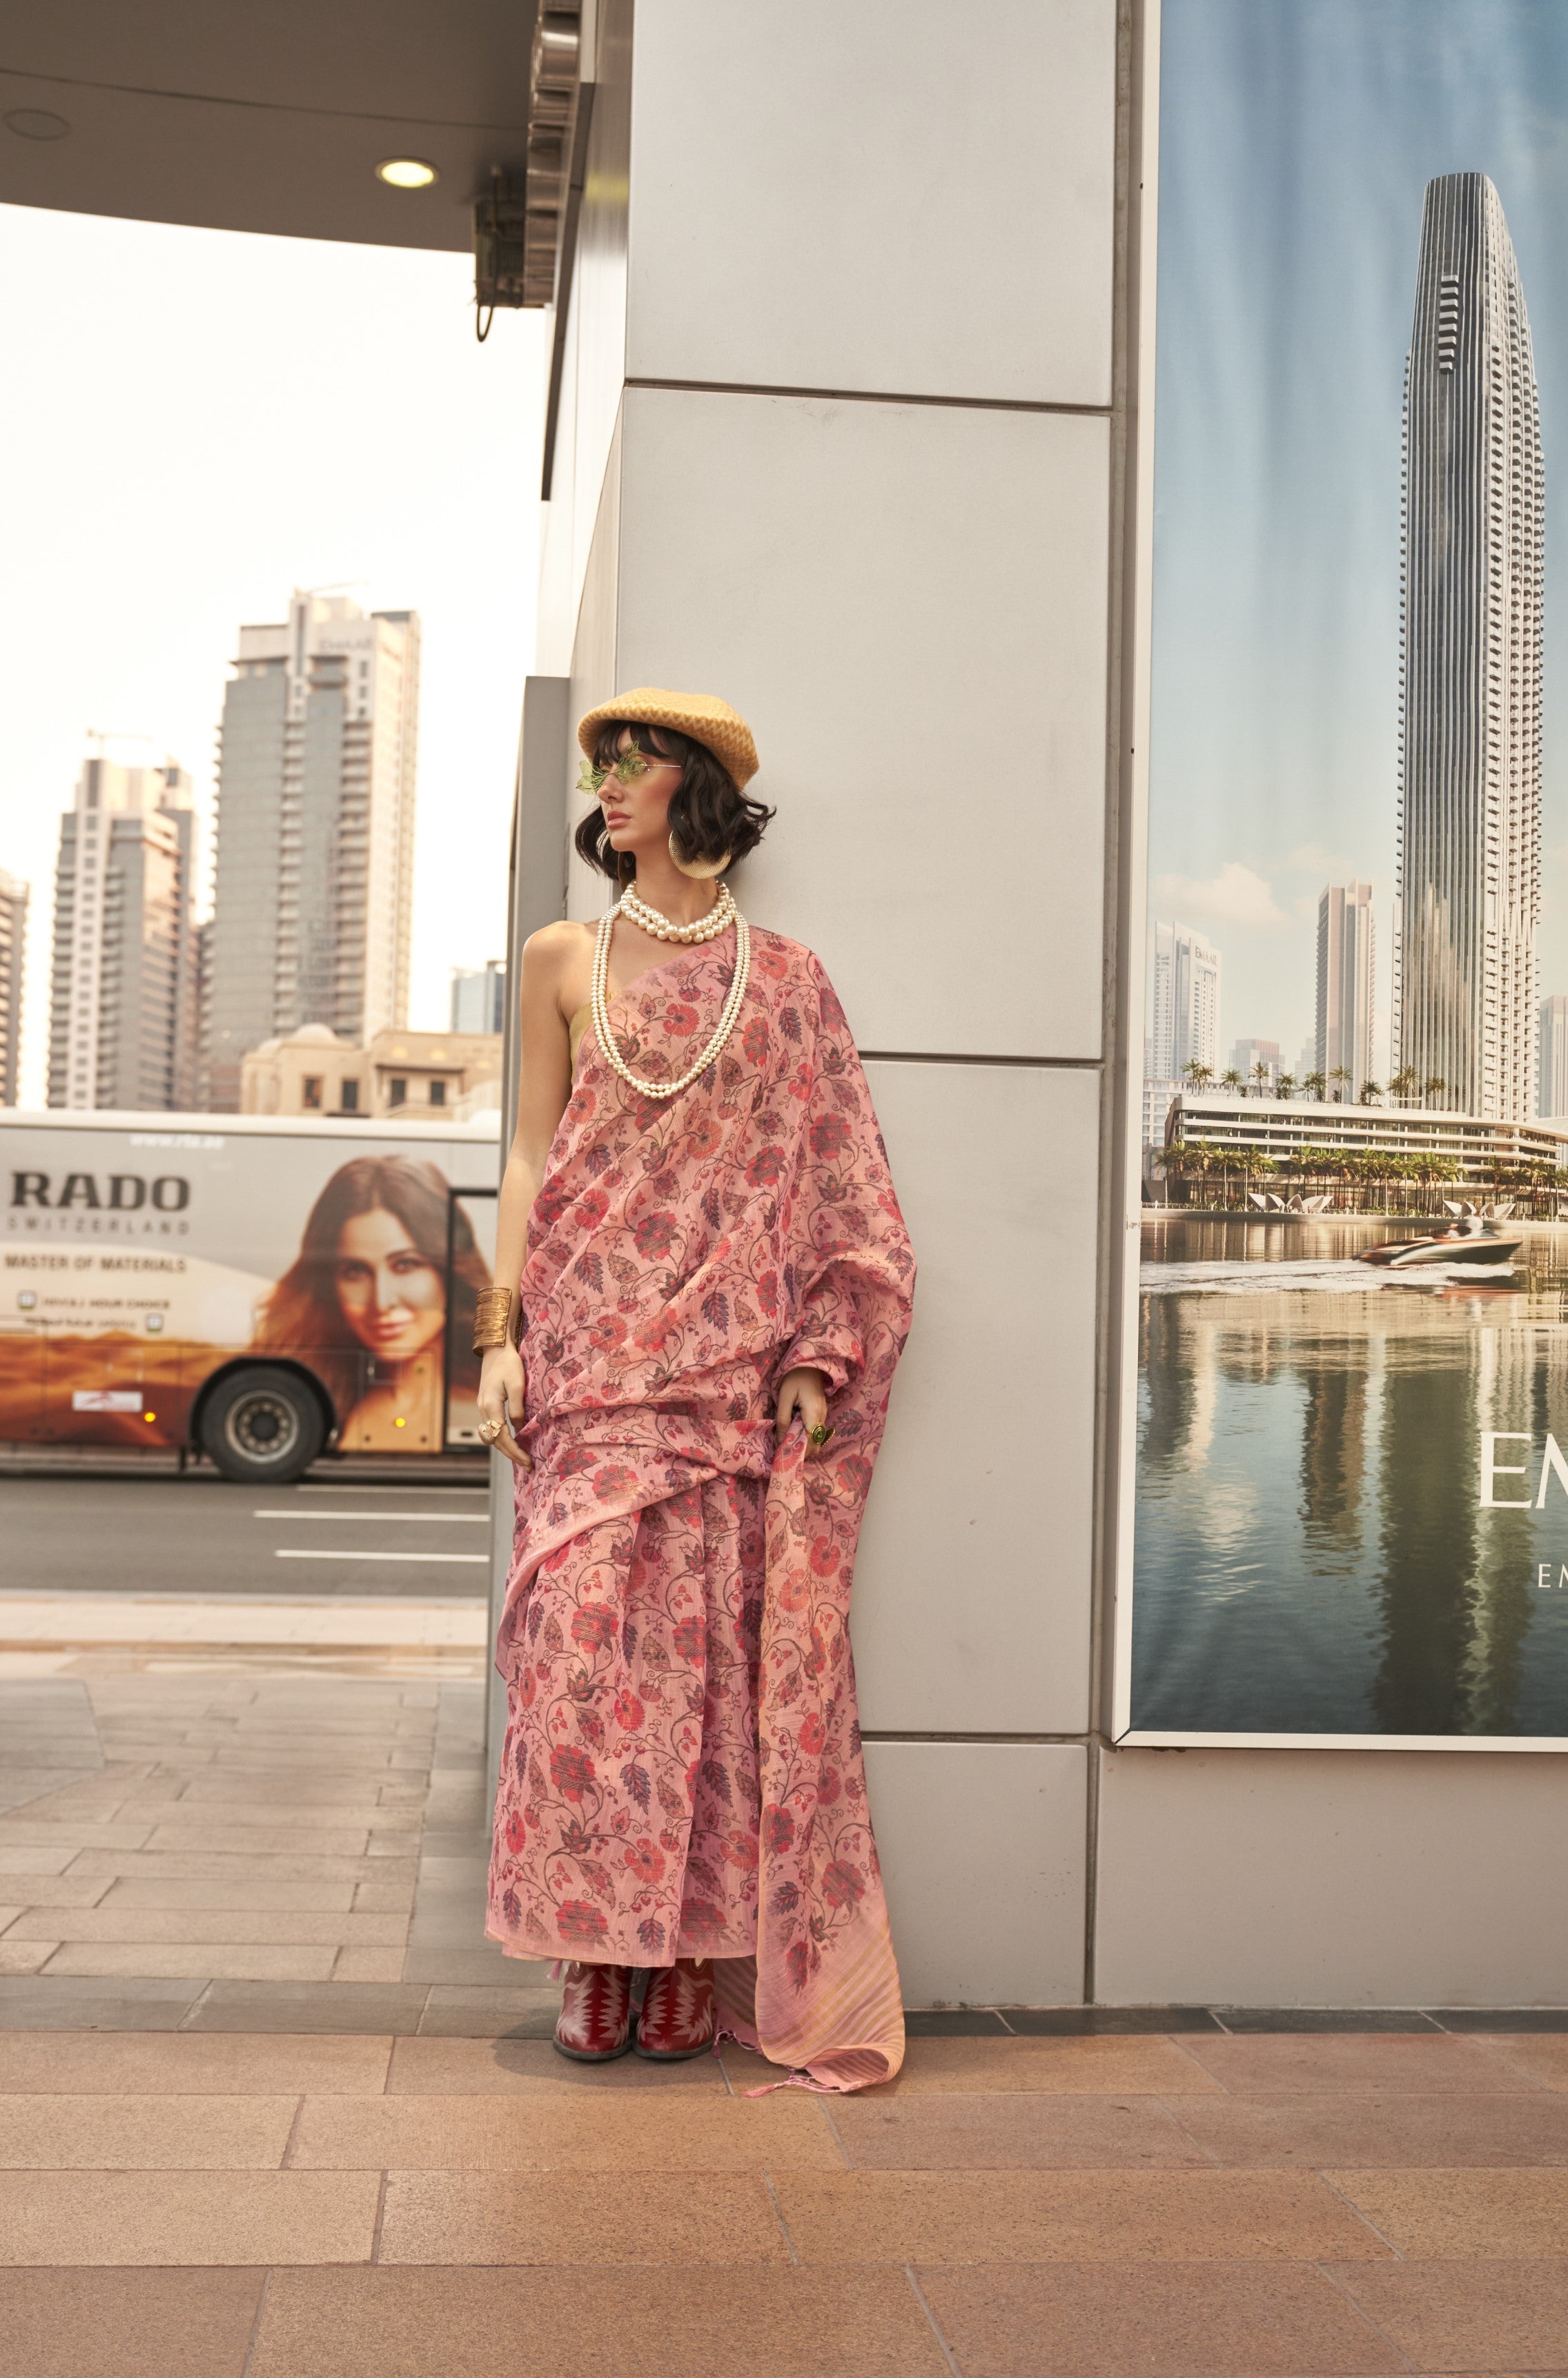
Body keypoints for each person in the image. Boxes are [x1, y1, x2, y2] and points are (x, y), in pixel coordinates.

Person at [478, 688, 915, 2090]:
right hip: (588, 1367)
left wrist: (813, 1353)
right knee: (581, 1667)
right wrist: (500, 1335)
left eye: (636, 760)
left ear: (697, 786)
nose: (609, 783)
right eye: (602, 763)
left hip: (722, 1382)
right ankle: (588, 1952)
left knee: (702, 1685)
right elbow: (530, 1161)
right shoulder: (562, 956)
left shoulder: (783, 980)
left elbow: (837, 1178)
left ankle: (675, 1964)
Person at [257, 1154, 487, 1451]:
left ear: (448, 1270)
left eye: (405, 1265)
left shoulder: (492, 1398)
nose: (381, 1302)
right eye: (355, 1271)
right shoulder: (318, 1398)